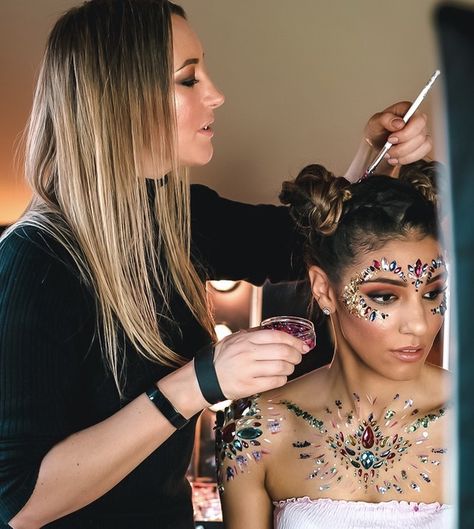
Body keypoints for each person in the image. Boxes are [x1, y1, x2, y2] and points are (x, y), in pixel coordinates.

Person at [0, 1, 432, 528]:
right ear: (120, 101)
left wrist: (375, 153)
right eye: (188, 79)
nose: (216, 94)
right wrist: (198, 383)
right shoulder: (35, 259)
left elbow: (314, 240)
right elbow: (18, 503)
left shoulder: (177, 218)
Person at [216, 160, 452, 529]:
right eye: (385, 297)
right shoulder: (255, 430)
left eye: (433, 292)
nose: (420, 324)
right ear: (325, 290)